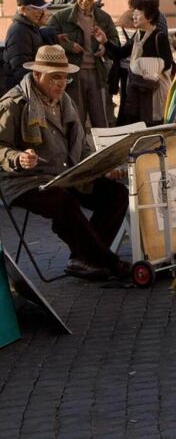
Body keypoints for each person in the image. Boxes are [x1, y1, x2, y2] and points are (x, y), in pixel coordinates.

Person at [0, 46, 130, 281]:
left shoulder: (65, 101)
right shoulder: (14, 104)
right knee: (63, 202)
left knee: (116, 194)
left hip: (66, 174)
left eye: (64, 77)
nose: (61, 83)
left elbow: (81, 146)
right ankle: (110, 263)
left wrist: (102, 169)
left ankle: (83, 259)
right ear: (37, 74)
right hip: (25, 181)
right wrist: (18, 158)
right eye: (54, 78)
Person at [49, 0, 119, 132]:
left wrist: (104, 46)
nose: (85, 0)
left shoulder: (104, 18)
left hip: (98, 74)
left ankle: (104, 153)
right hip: (73, 75)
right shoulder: (61, 17)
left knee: (101, 119)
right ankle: (78, 153)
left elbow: (115, 41)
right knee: (75, 119)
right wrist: (68, 46)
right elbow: (47, 40)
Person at [114, 0, 174, 126]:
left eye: (138, 13)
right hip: (137, 90)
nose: (134, 16)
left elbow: (167, 63)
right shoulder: (138, 35)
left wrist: (143, 67)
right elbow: (120, 53)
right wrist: (104, 41)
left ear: (150, 17)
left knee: (153, 124)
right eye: (134, 13)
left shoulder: (159, 36)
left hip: (154, 91)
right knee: (137, 124)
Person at [3, 0, 54, 91]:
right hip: (24, 90)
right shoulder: (19, 31)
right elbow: (21, 69)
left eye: (41, 9)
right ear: (23, 9)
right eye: (36, 8)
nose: (40, 12)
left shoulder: (30, 28)